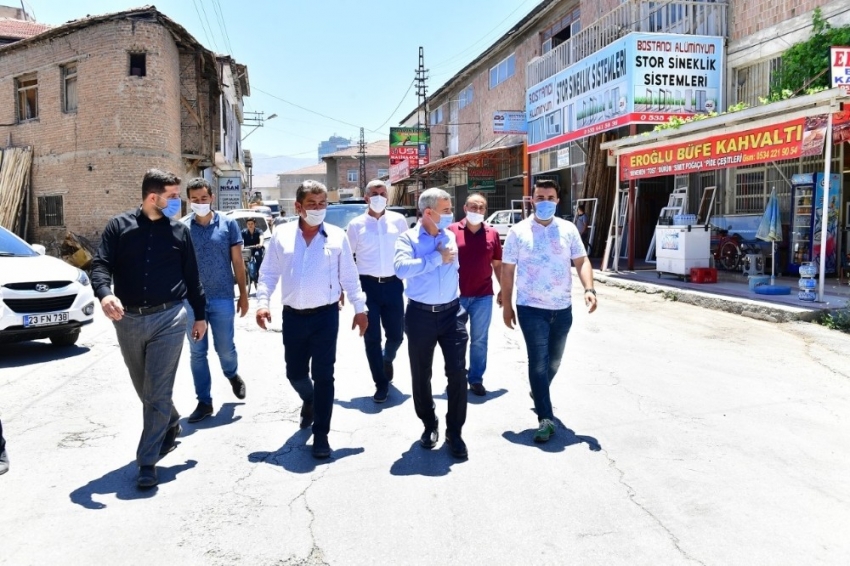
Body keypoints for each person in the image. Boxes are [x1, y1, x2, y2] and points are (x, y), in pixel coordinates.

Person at [92, 169, 207, 488]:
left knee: (156, 390)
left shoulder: (179, 233)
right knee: (145, 389)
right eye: (172, 197)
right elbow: (100, 265)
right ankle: (170, 421)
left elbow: (192, 278)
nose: (177, 203)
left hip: (169, 318)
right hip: (126, 319)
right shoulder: (119, 227)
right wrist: (105, 294)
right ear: (152, 197)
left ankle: (147, 461)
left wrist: (200, 316)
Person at [255, 180, 368, 459]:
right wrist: (262, 303)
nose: (318, 210)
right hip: (293, 317)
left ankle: (321, 435)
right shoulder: (281, 235)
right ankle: (309, 399)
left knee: (324, 376)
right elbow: (268, 273)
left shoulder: (336, 237)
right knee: (294, 373)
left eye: (322, 204)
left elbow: (350, 277)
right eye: (311, 205)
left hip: (325, 317)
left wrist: (360, 308)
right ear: (298, 207)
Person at [500, 179, 597, 443]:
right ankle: (545, 417)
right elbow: (507, 270)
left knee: (554, 361)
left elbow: (581, 260)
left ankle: (538, 390)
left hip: (562, 308)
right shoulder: (518, 232)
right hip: (531, 308)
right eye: (540, 197)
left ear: (558, 200)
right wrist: (507, 305)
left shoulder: (568, 229)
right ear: (532, 200)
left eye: (550, 197)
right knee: (538, 362)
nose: (545, 201)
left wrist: (589, 289)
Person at [394, 188, 469, 459]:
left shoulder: (450, 235)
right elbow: (401, 269)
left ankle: (455, 431)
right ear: (428, 213)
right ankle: (429, 424)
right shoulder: (408, 238)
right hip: (420, 316)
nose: (451, 215)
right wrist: (436, 258)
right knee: (421, 374)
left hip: (452, 314)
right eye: (446, 210)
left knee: (458, 374)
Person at [184, 178, 249, 424]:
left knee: (225, 348)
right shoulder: (182, 228)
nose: (200, 203)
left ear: (212, 197)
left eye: (204, 198)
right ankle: (204, 401)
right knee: (197, 352)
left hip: (222, 297)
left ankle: (232, 375)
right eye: (195, 199)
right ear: (189, 200)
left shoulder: (228, 224)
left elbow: (238, 263)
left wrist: (243, 295)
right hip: (192, 303)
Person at [346, 179, 409, 403]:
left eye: (383, 192)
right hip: (367, 287)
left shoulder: (399, 221)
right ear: (366, 197)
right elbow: (346, 259)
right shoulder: (356, 225)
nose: (379, 196)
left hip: (393, 285)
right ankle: (381, 384)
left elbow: (407, 251)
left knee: (396, 335)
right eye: (375, 193)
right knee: (371, 338)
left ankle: (387, 358)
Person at [447, 193, 502, 396]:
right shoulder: (451, 231)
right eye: (473, 207)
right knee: (456, 340)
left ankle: (476, 378)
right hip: (456, 297)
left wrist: (504, 290)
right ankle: (456, 376)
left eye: (481, 207)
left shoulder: (492, 233)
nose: (477, 211)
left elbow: (497, 264)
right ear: (465, 208)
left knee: (479, 340)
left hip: (483, 296)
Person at [242, 218, 264, 290]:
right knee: (243, 260)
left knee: (258, 256)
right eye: (248, 224)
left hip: (257, 248)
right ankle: (247, 276)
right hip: (247, 250)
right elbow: (240, 240)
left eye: (252, 224)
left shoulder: (258, 231)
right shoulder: (244, 232)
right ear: (246, 225)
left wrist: (260, 244)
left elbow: (261, 238)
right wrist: (241, 246)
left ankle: (258, 273)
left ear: (255, 224)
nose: (250, 225)